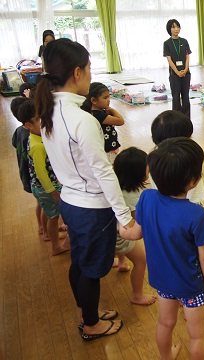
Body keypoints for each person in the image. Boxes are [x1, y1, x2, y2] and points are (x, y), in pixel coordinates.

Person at [36, 38, 132, 341]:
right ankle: (91, 325)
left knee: (80, 261)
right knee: (91, 269)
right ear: (77, 72)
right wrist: (124, 216)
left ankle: (85, 312)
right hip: (91, 207)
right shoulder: (82, 119)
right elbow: (103, 172)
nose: (90, 75)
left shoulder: (49, 110)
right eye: (89, 69)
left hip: (71, 200)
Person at [119, 137, 204, 360]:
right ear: (193, 181)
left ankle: (166, 356)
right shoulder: (196, 214)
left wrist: (120, 228)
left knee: (165, 322)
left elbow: (135, 233)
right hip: (192, 286)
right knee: (197, 336)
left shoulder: (147, 197)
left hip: (162, 281)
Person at [23, 102, 70, 256]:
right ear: (28, 125)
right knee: (54, 216)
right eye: (40, 120)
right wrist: (52, 192)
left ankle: (50, 235)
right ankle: (56, 246)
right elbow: (41, 173)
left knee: (50, 213)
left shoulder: (36, 137)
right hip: (46, 187)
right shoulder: (37, 146)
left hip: (43, 186)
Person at [112, 148, 156, 306]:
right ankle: (137, 295)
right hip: (120, 238)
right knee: (141, 261)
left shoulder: (115, 188)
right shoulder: (133, 196)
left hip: (110, 233)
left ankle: (121, 262)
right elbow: (136, 224)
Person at [150, 110, 204, 205]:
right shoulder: (185, 160)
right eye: (188, 138)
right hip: (187, 205)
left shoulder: (153, 155)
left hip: (164, 203)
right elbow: (190, 195)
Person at [11, 97, 45, 237]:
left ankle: (41, 227)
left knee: (40, 202)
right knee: (44, 204)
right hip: (33, 174)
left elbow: (14, 144)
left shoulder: (19, 131)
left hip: (27, 171)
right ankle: (45, 228)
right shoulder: (32, 136)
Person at [81, 82, 125, 163]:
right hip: (107, 150)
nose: (108, 100)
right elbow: (120, 121)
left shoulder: (98, 112)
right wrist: (111, 109)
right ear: (94, 100)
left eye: (109, 97)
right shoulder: (98, 115)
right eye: (105, 98)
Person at [163, 19, 191, 117]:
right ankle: (176, 119)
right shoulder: (167, 43)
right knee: (176, 97)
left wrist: (186, 69)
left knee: (186, 97)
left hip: (186, 74)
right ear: (169, 29)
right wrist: (177, 72)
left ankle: (187, 119)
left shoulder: (184, 41)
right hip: (174, 75)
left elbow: (187, 56)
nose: (176, 29)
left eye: (178, 26)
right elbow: (169, 60)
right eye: (173, 27)